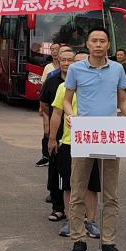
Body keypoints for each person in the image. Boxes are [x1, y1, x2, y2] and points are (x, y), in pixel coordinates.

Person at [62, 29, 126, 251]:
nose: (99, 44)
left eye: (103, 41)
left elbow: (122, 99)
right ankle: (78, 241)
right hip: (84, 134)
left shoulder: (117, 69)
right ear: (88, 44)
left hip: (110, 135)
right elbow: (66, 100)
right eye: (94, 41)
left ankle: (109, 243)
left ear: (108, 44)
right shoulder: (76, 69)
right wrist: (71, 115)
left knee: (111, 193)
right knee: (78, 190)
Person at [48, 50, 101, 238]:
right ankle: (72, 220)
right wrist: (52, 138)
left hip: (92, 141)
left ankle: (90, 221)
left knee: (91, 185)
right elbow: (56, 114)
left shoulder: (99, 85)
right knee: (69, 185)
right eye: (74, 63)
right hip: (69, 142)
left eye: (81, 62)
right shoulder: (64, 87)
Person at [40, 47, 73, 222]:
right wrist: (49, 130)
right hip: (58, 131)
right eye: (63, 60)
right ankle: (58, 207)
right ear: (58, 61)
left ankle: (77, 211)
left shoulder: (83, 82)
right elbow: (45, 105)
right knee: (56, 171)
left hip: (77, 135)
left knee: (74, 173)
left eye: (70, 60)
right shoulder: (52, 81)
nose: (67, 63)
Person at [37, 44, 65, 166]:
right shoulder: (48, 69)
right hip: (50, 105)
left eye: (57, 50)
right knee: (47, 130)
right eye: (52, 50)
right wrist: (41, 106)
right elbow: (43, 87)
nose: (54, 52)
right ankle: (46, 155)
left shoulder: (72, 72)